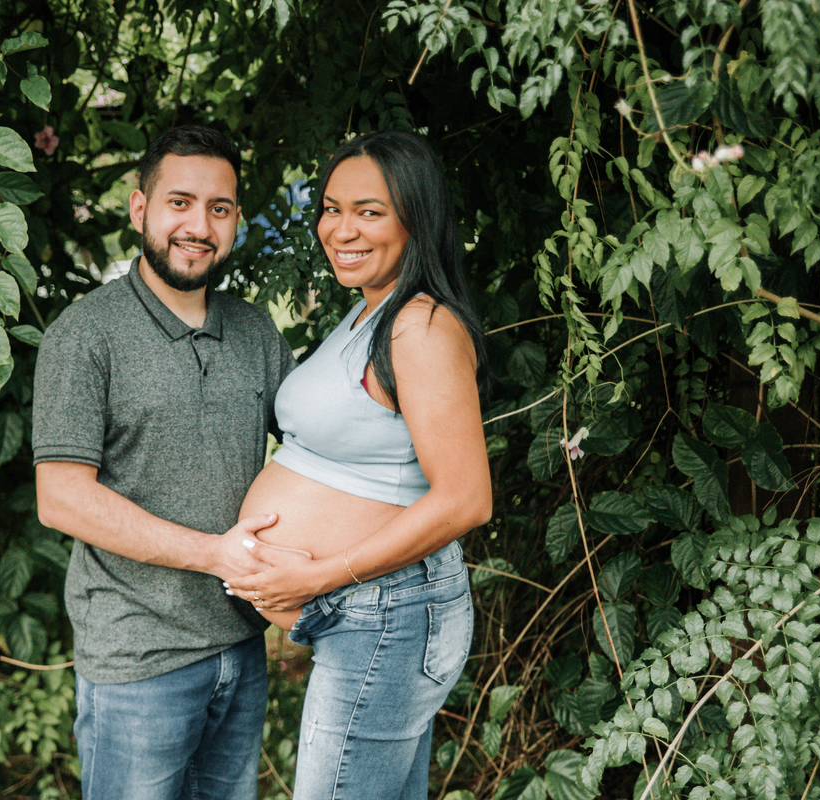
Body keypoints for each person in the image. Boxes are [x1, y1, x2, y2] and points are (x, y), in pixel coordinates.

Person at [226, 130, 493, 799]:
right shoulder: (370, 312)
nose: (341, 229)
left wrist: (318, 574)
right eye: (332, 208)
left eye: (368, 212)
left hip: (387, 615)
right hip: (371, 616)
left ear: (415, 218)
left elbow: (466, 499)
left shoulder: (420, 328)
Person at [32, 125, 295, 800]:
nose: (198, 225)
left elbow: (309, 457)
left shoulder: (255, 331)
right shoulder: (87, 334)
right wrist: (216, 554)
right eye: (180, 202)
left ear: (236, 219)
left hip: (241, 648)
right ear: (138, 207)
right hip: (138, 663)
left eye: (219, 208)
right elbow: (61, 498)